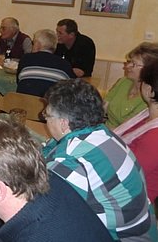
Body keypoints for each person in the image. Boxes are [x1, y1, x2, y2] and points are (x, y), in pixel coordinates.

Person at [42, 79, 155, 241]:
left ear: (64, 123)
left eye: (46, 115)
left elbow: (45, 214)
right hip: (143, 230)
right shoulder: (101, 133)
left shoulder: (70, 161)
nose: (45, 119)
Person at [114, 61, 158, 204]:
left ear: (150, 90)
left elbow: (129, 174)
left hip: (130, 202)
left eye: (142, 82)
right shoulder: (146, 116)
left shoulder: (154, 137)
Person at [104, 42, 158, 128]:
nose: (127, 66)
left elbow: (130, 129)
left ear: (149, 69)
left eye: (133, 64)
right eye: (129, 61)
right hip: (106, 130)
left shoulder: (151, 95)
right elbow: (104, 107)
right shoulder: (124, 82)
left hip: (126, 138)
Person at [16, 29, 75, 97]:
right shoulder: (65, 64)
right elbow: (72, 88)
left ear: (38, 45)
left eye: (33, 43)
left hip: (22, 104)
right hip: (49, 105)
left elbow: (19, 81)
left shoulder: (25, 59)